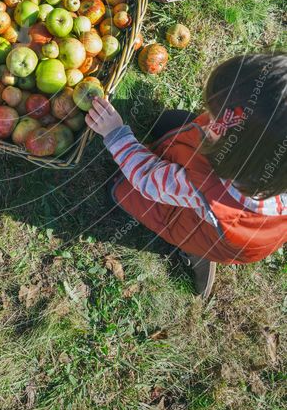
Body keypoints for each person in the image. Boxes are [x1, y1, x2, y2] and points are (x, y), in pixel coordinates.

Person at [86, 53, 287, 299]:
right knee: (171, 122)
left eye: (215, 120)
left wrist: (116, 135)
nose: (207, 121)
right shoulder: (269, 162)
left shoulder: (206, 190)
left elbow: (147, 180)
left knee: (121, 187)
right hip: (254, 230)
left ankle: (197, 251)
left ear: (238, 152)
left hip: (213, 232)